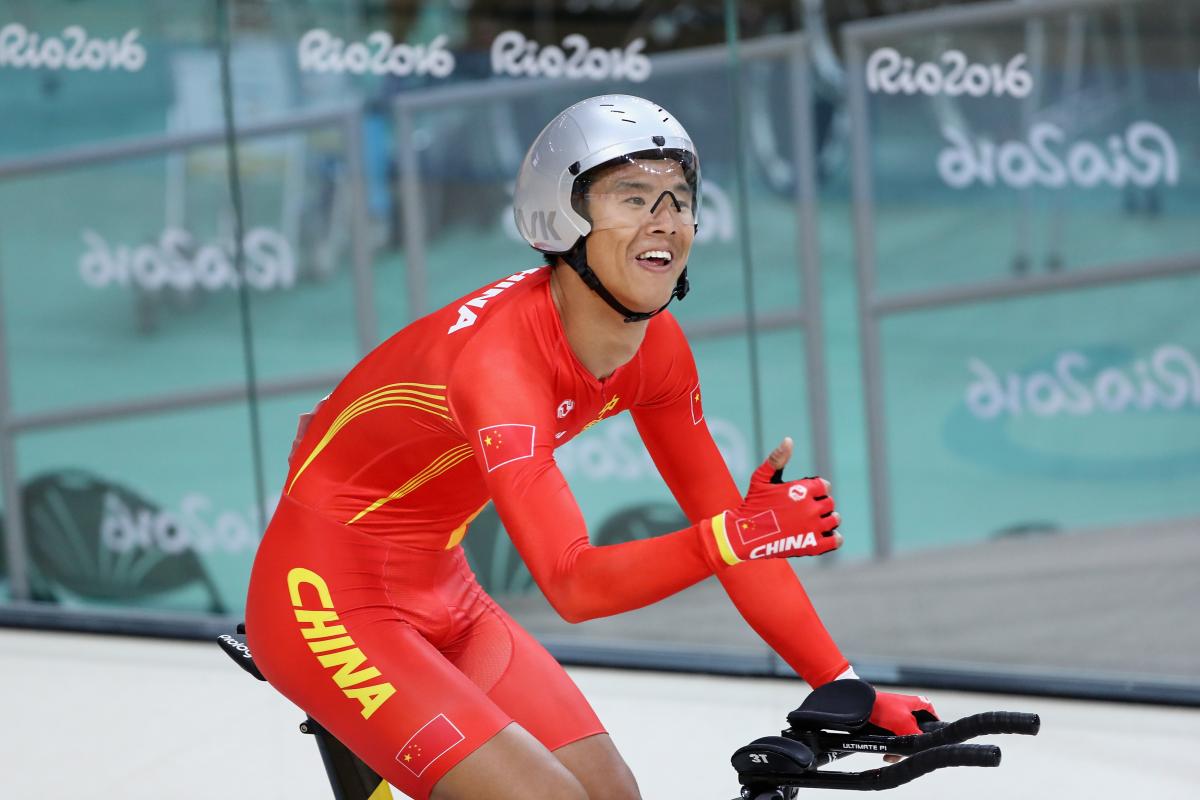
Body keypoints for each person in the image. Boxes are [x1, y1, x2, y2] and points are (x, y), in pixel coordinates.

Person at [245, 94, 936, 800]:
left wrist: (841, 683)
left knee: (613, 797)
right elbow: (574, 585)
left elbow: (729, 528)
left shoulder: (654, 346)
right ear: (562, 219)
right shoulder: (500, 369)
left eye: (678, 197)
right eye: (633, 198)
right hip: (324, 600)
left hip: (441, 591)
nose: (664, 219)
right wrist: (733, 537)